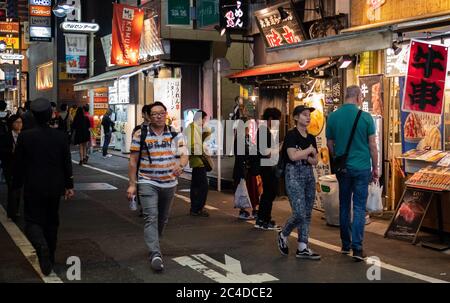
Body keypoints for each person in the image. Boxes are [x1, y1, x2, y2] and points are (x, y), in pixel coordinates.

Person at [12, 98, 74, 276]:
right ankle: (50, 257)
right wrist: (69, 185)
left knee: (32, 220)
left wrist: (16, 184)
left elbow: (18, 164)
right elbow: (66, 163)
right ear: (50, 115)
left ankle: (41, 246)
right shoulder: (60, 136)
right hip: (55, 185)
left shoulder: (25, 136)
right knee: (52, 221)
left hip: (33, 185)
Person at [127, 101, 188, 272]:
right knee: (151, 217)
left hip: (169, 182)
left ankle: (155, 241)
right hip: (147, 181)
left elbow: (184, 154)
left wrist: (181, 166)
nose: (159, 116)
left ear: (166, 114)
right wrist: (132, 184)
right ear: (149, 116)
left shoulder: (175, 133)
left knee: (163, 218)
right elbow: (132, 161)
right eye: (154, 114)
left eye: (161, 113)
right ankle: (155, 253)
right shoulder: (141, 134)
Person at [326, 85, 379, 261]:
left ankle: (345, 244)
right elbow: (372, 145)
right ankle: (357, 248)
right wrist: (376, 167)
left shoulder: (333, 117)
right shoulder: (365, 118)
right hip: (362, 167)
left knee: (344, 205)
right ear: (357, 97)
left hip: (343, 168)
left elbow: (330, 145)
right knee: (358, 207)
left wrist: (338, 158)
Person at [277, 105, 321, 260]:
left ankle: (303, 246)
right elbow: (292, 156)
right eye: (304, 114)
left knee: (307, 214)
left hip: (308, 175)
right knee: (299, 213)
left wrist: (305, 153)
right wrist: (308, 152)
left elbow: (315, 161)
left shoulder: (311, 138)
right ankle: (283, 233)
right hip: (293, 174)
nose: (308, 117)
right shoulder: (291, 135)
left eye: (309, 115)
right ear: (296, 118)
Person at [255, 108, 282, 231]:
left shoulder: (263, 130)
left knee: (268, 193)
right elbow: (267, 153)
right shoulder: (264, 131)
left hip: (265, 166)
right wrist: (279, 148)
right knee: (269, 193)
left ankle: (262, 219)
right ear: (271, 119)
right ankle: (264, 220)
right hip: (267, 167)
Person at [187, 110, 211, 217]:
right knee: (203, 186)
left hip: (197, 161)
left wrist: (205, 135)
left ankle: (195, 208)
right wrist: (201, 152)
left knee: (196, 186)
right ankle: (198, 208)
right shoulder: (192, 128)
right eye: (204, 119)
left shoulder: (194, 128)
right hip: (198, 161)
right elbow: (192, 145)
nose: (204, 122)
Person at [0, 114, 23, 222]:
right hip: (9, 165)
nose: (19, 124)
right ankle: (12, 212)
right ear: (11, 124)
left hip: (20, 166)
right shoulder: (6, 136)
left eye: (21, 122)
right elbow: (1, 151)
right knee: (12, 188)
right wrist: (11, 151)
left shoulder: (24, 136)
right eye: (17, 122)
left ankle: (15, 210)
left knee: (17, 189)